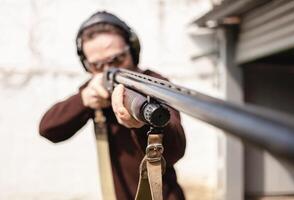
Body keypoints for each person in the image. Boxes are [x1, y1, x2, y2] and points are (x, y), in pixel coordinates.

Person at [39, 11, 186, 200]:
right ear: (87, 66)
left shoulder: (155, 84)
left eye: (117, 59)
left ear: (132, 50)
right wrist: (83, 101)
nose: (109, 70)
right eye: (97, 65)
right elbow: (48, 129)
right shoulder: (94, 91)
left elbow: (175, 151)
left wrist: (141, 123)